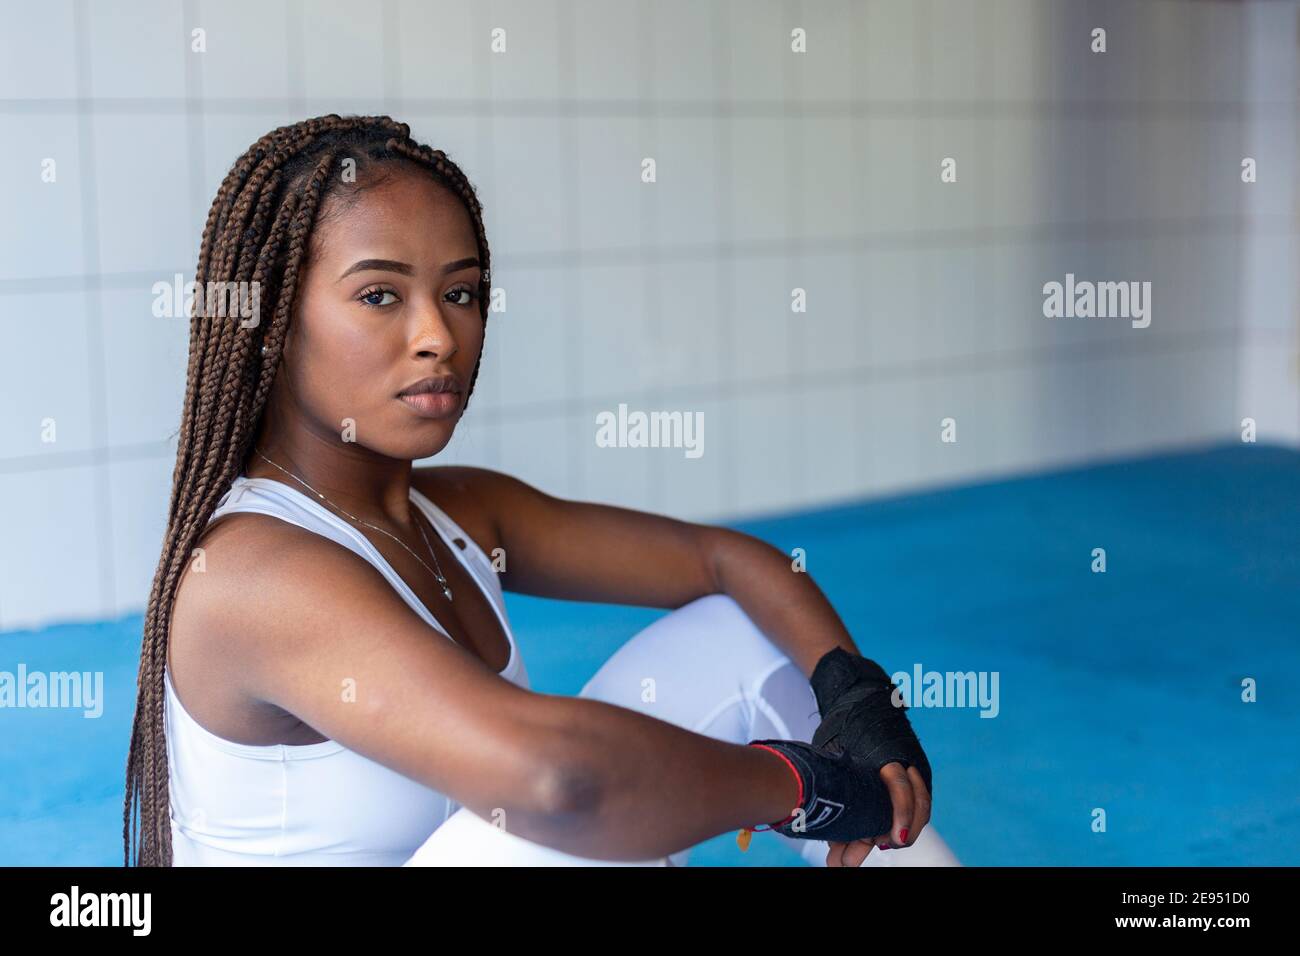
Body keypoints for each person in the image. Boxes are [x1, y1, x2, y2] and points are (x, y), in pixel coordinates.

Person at [126, 114, 960, 868]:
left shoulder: (457, 512)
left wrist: (857, 704)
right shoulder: (254, 576)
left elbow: (723, 560)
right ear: (272, 319)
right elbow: (558, 781)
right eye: (380, 296)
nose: (436, 336)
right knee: (545, 797)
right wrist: (793, 782)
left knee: (746, 635)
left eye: (459, 293)